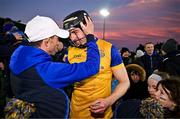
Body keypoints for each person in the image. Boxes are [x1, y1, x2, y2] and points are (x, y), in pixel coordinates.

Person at [5, 15, 100, 118]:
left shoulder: (18, 55)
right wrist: (90, 36)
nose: (58, 42)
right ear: (46, 42)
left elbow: (41, 82)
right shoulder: (45, 70)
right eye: (56, 38)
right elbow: (92, 66)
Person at [63, 10, 130, 118]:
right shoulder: (68, 51)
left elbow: (125, 82)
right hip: (75, 114)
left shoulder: (109, 48)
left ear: (87, 27)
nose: (72, 38)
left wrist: (109, 101)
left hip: (103, 116)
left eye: (75, 32)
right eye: (69, 34)